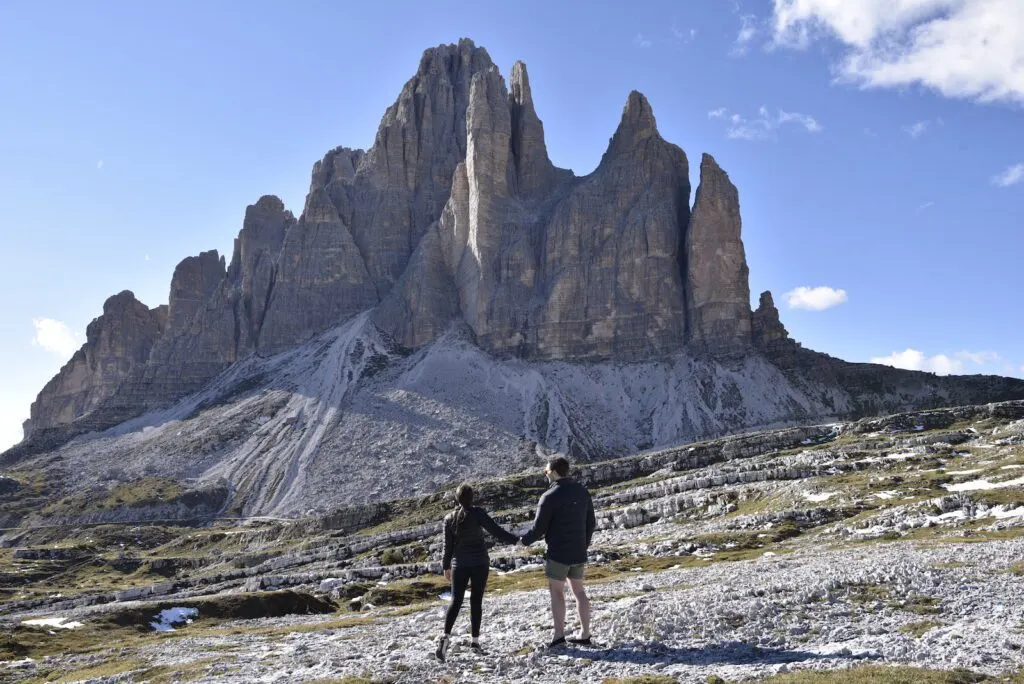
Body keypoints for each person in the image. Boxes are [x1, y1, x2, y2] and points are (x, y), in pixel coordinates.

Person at [519, 455, 596, 648]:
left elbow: (539, 528)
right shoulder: (582, 491)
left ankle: (559, 635)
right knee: (579, 591)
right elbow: (591, 523)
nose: (546, 475)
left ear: (553, 472)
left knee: (557, 591)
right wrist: (583, 544)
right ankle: (585, 634)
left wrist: (524, 541)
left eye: (546, 472)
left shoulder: (549, 496)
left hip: (558, 553)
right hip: (578, 551)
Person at [436, 483, 517, 662]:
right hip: (480, 562)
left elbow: (446, 546)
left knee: (455, 601)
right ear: (472, 498)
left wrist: (445, 566)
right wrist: (516, 540)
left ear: (456, 499)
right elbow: (496, 531)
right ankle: (474, 642)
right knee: (476, 601)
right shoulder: (478, 513)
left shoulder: (449, 518)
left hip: (459, 564)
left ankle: (445, 638)